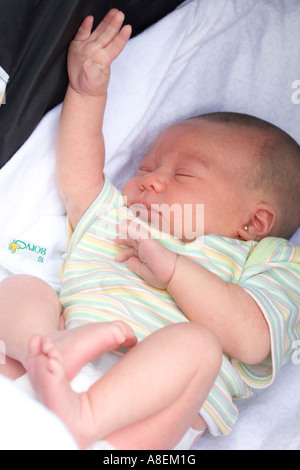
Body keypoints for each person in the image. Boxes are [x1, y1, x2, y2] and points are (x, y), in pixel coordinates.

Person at [0, 9, 299, 450]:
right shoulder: (124, 218)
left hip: (140, 419)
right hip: (59, 356)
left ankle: (86, 417)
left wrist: (175, 270)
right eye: (146, 167)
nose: (150, 179)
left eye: (184, 176)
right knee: (24, 287)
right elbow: (80, 174)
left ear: (254, 223)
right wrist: (86, 91)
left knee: (198, 347)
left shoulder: (269, 260)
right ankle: (37, 352)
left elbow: (253, 339)